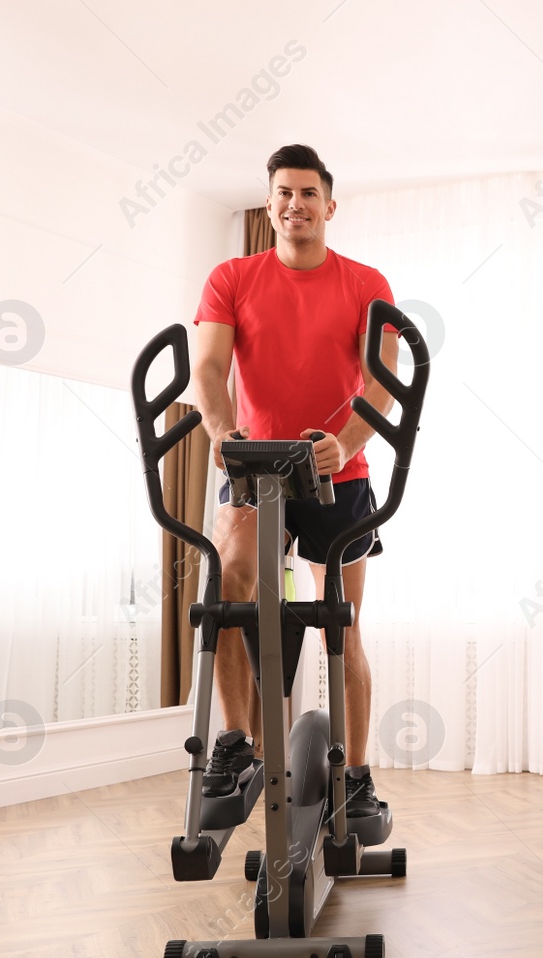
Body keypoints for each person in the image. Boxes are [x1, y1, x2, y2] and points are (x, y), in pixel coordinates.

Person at [190, 143, 397, 817]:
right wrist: (222, 434)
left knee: (344, 623)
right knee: (229, 591)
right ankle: (235, 740)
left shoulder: (366, 282)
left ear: (328, 205)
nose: (295, 203)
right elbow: (208, 371)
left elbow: (381, 383)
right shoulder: (232, 276)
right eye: (283, 192)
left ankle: (359, 775)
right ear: (269, 202)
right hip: (255, 472)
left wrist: (347, 441)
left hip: (341, 470)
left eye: (308, 193)